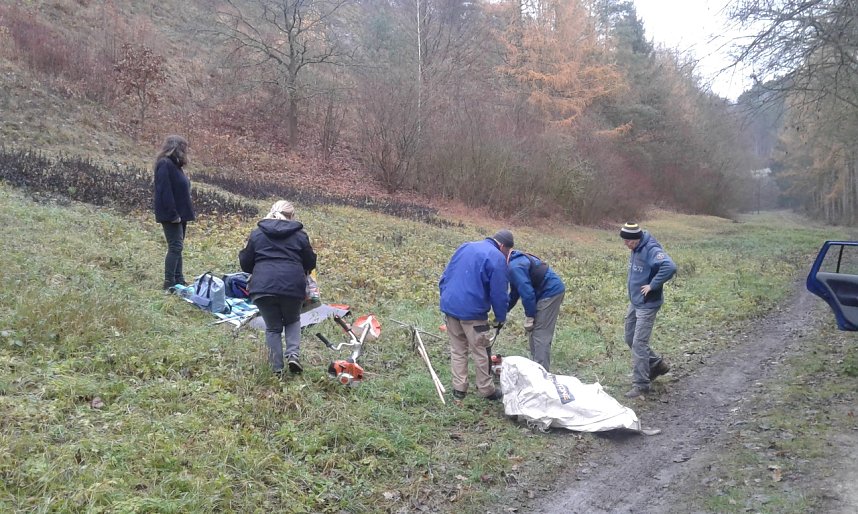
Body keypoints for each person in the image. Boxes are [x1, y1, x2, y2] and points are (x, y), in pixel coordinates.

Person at [239, 200, 317, 376]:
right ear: (291, 216)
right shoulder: (300, 236)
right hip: (292, 286)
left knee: (273, 327)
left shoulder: (257, 234)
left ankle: (276, 369)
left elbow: (245, 264)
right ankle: (293, 355)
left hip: (262, 288)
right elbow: (310, 262)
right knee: (292, 320)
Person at [439, 229, 512, 401]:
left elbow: (446, 275)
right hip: (473, 312)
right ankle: (487, 390)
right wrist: (501, 317)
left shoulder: (466, 246)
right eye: (508, 252)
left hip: (450, 305)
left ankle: (459, 389)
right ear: (502, 246)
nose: (507, 255)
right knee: (481, 350)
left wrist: (446, 297)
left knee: (458, 349)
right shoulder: (497, 257)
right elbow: (499, 293)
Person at [619, 222, 677, 398]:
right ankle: (657, 364)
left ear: (636, 239)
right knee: (629, 338)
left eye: (629, 242)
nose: (626, 245)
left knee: (639, 343)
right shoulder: (636, 247)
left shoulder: (651, 249)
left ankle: (641, 384)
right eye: (624, 241)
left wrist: (652, 285)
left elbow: (670, 267)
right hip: (635, 301)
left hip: (647, 304)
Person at [506, 249, 566, 372]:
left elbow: (527, 294)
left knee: (540, 334)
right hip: (542, 293)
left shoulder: (514, 267)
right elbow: (515, 292)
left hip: (550, 292)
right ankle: (536, 367)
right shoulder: (513, 263)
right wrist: (502, 312)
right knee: (534, 332)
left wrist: (530, 316)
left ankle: (542, 375)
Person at [153, 135, 195, 291]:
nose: (186, 152)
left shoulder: (176, 166)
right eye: (184, 148)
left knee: (179, 247)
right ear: (177, 148)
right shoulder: (164, 164)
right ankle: (169, 282)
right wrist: (173, 214)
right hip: (172, 214)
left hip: (181, 214)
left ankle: (179, 279)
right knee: (175, 246)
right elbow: (164, 191)